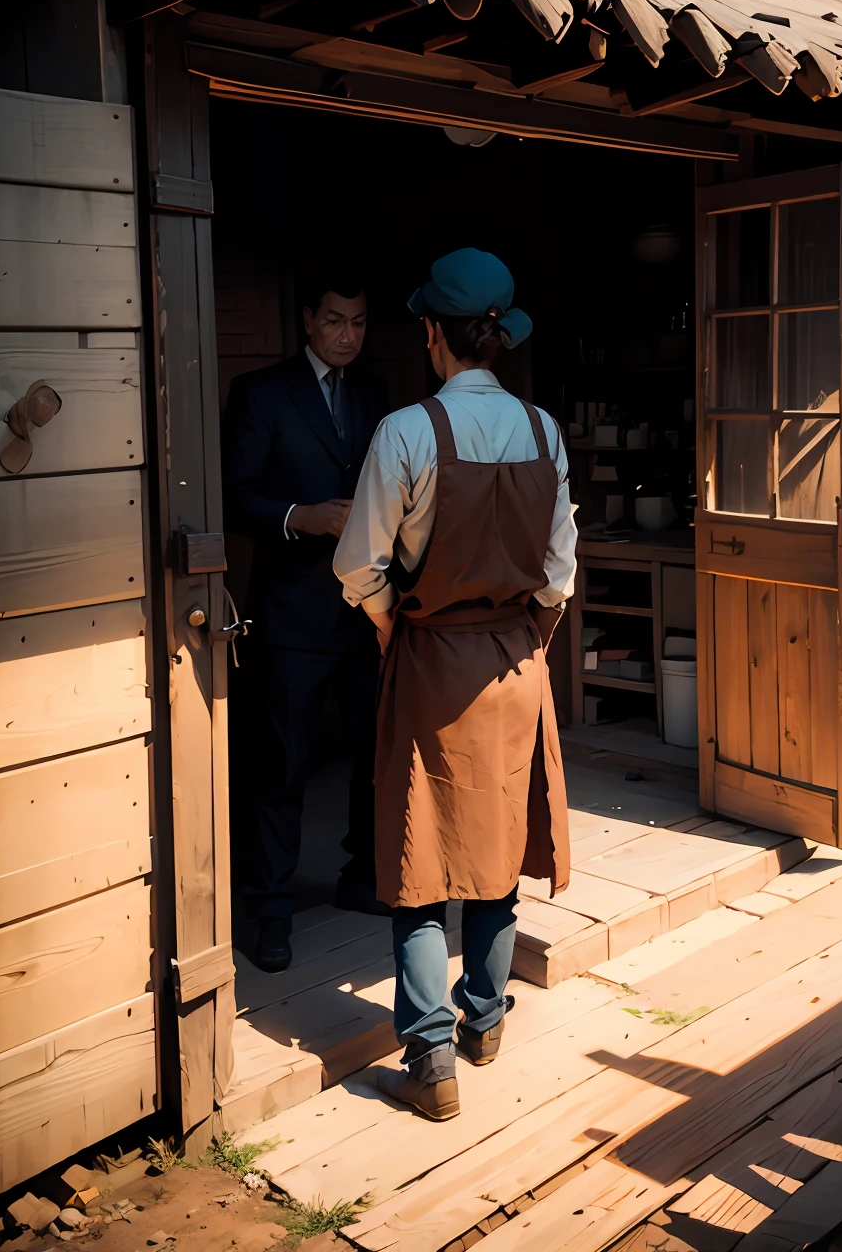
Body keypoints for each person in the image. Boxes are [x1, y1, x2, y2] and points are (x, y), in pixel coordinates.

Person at [334, 248, 576, 1123]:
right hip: (515, 662)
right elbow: (558, 575)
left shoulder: (405, 432)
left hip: (431, 661)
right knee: (498, 841)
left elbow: (359, 564)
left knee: (420, 852)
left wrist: (393, 619)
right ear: (500, 337)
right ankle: (486, 1020)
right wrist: (526, 635)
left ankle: (431, 1055)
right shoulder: (545, 432)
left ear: (431, 334)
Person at [223, 271, 387, 973]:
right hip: (290, 609)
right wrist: (301, 517)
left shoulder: (377, 393)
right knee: (280, 766)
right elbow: (235, 497)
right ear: (306, 322)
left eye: (356, 322)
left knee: (372, 753)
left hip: (367, 610)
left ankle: (362, 877)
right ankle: (270, 911)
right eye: (333, 322)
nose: (346, 335)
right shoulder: (262, 393)